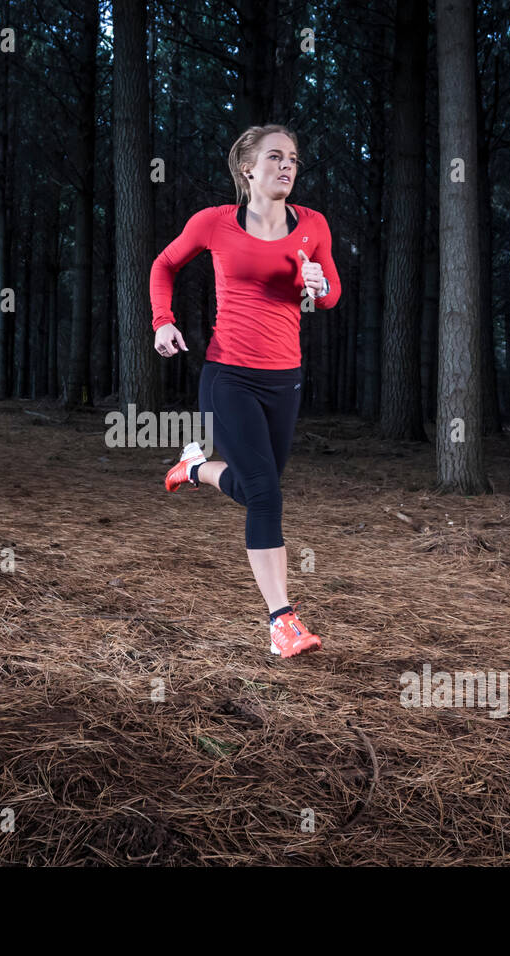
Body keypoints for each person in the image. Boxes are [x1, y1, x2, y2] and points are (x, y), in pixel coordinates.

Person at [149, 124, 341, 659]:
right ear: (247, 169)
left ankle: (193, 469)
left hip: (285, 378)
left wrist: (320, 290)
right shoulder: (214, 223)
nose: (287, 166)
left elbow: (330, 293)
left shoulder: (313, 227)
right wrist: (163, 321)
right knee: (265, 494)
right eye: (275, 157)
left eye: (294, 159)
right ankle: (282, 621)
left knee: (256, 489)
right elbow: (164, 264)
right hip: (228, 374)